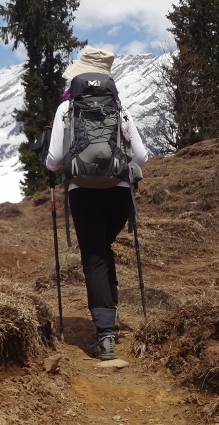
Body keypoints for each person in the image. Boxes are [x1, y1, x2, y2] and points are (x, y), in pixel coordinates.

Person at [45, 47, 148, 361]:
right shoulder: (120, 108)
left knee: (94, 257)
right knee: (103, 250)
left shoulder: (66, 109)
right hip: (119, 192)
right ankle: (111, 314)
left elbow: (53, 162)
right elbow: (142, 157)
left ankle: (105, 335)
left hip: (83, 191)